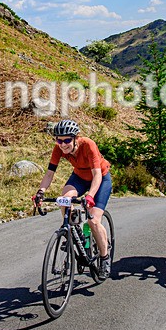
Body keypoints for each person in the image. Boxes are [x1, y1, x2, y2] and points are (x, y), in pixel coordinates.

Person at [33, 119, 113, 279]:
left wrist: (90, 196)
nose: (63, 144)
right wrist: (41, 191)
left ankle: (104, 258)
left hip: (100, 179)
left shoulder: (88, 145)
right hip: (79, 177)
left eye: (67, 140)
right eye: (59, 140)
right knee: (64, 199)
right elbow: (49, 174)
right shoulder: (59, 149)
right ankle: (74, 231)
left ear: (76, 138)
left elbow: (97, 174)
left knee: (93, 221)